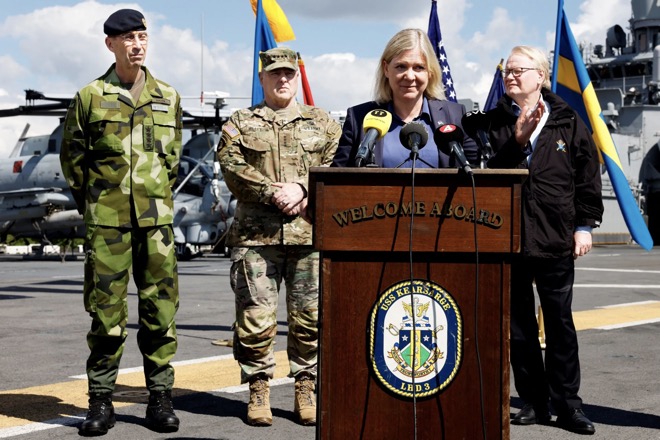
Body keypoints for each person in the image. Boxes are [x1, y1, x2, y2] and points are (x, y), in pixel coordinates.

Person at [60, 9, 182, 436]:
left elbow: (173, 159)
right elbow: (73, 160)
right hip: (107, 224)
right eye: (128, 37)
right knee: (106, 314)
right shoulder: (90, 96)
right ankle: (100, 402)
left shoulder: (168, 96)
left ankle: (160, 399)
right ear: (110, 44)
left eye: (142, 36)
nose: (137, 44)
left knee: (160, 312)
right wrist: (96, 205)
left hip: (157, 226)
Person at [216, 46, 341, 427]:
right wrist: (274, 191)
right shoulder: (240, 122)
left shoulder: (324, 123)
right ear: (262, 78)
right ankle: (258, 389)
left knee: (309, 319)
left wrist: (303, 189)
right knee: (255, 319)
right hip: (256, 240)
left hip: (309, 237)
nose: (283, 79)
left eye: (289, 73)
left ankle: (306, 387)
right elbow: (231, 166)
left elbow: (336, 165)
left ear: (297, 77)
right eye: (275, 73)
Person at [485, 45, 603, 435]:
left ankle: (569, 405)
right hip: (509, 237)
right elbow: (487, 175)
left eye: (520, 70)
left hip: (554, 238)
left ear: (541, 75)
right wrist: (516, 141)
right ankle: (533, 402)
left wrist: (584, 224)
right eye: (507, 71)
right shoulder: (492, 120)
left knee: (560, 325)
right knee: (518, 328)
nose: (511, 76)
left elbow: (587, 176)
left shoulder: (568, 120)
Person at [332, 28, 477, 168]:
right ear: (386, 69)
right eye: (401, 66)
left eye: (419, 67)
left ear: (430, 72)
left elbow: (479, 172)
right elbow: (335, 180)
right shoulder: (359, 117)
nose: (409, 76)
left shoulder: (455, 115)